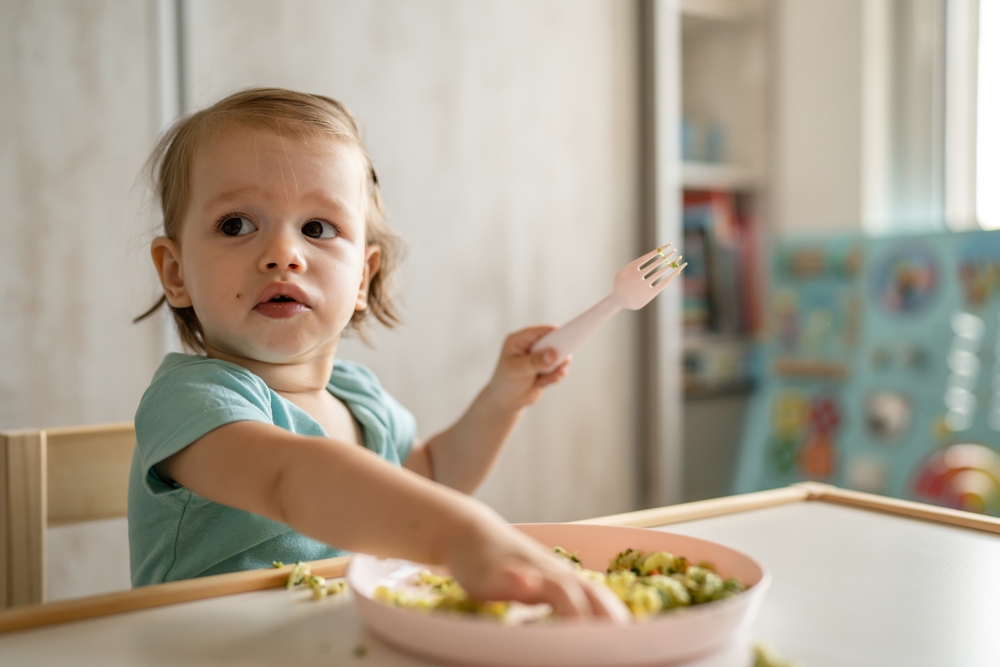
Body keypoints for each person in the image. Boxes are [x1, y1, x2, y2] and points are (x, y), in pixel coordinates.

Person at [128, 87, 626, 621]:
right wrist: (460, 532)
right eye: (236, 225)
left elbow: (431, 478)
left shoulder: (359, 399)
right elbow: (290, 478)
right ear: (176, 273)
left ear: (363, 277)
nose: (283, 255)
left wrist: (501, 401)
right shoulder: (189, 403)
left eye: (317, 229)